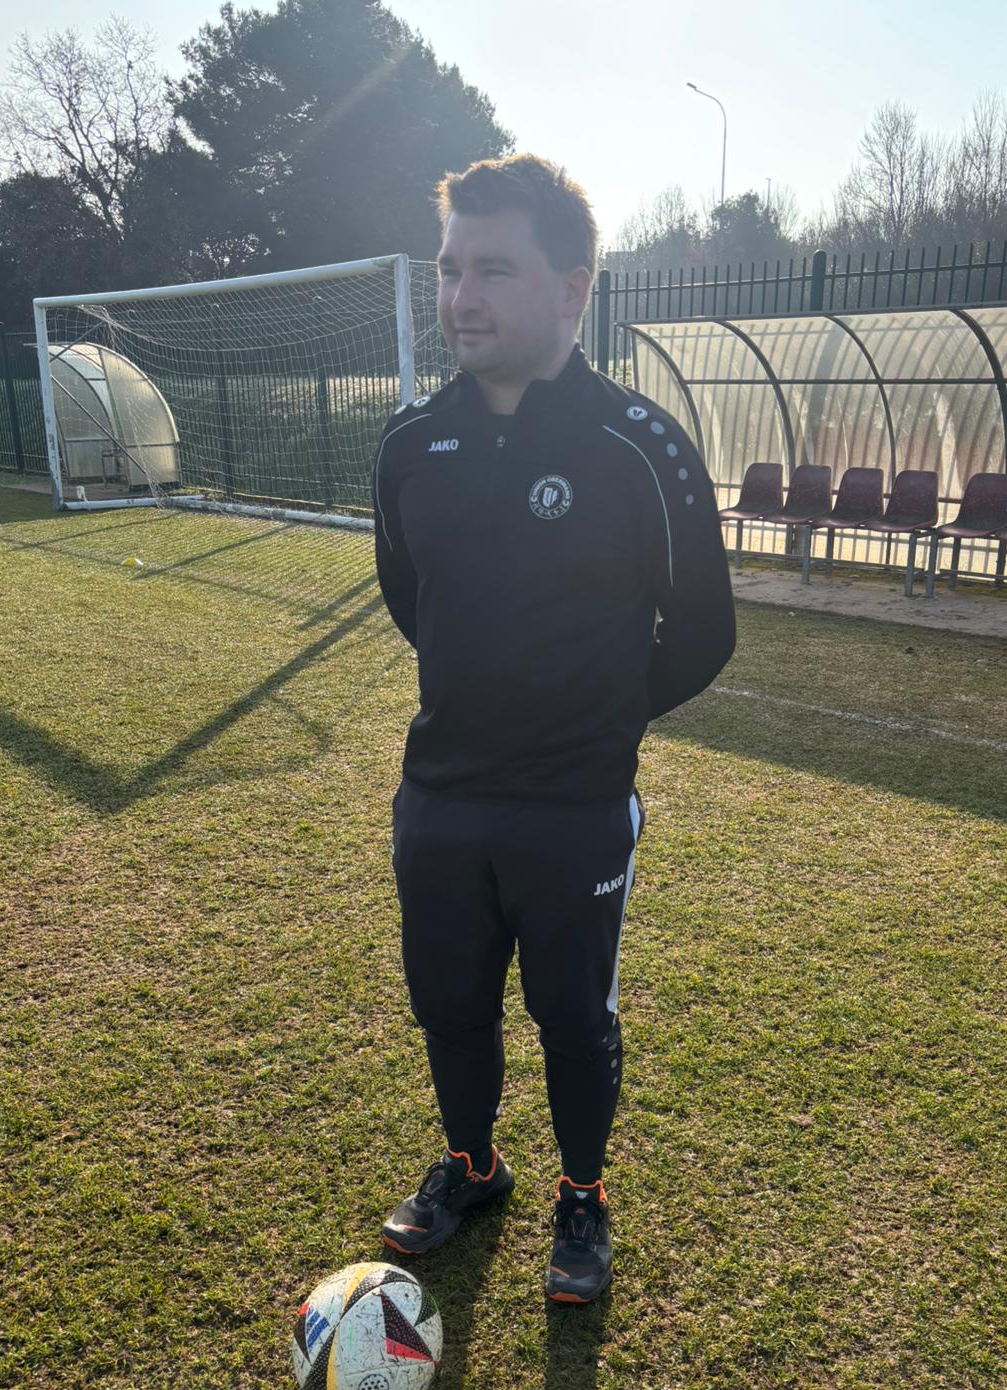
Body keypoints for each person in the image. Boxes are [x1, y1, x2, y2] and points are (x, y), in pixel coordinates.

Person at [373, 153, 735, 1304]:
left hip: (575, 804)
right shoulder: (408, 444)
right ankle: (474, 1166)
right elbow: (411, 598)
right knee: (449, 1003)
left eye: (493, 269)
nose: (460, 297)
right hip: (441, 793)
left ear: (573, 290)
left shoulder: (642, 444)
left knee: (574, 1018)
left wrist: (595, 719)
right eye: (449, 270)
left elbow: (705, 631)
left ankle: (584, 1193)